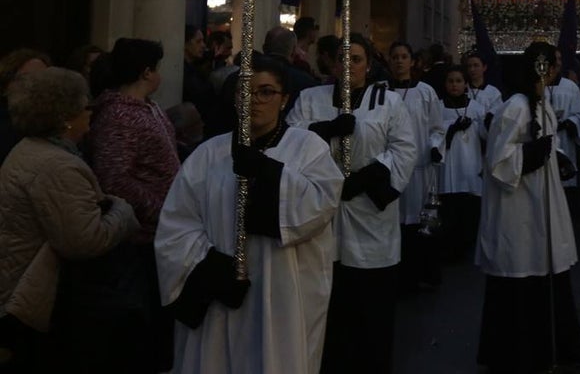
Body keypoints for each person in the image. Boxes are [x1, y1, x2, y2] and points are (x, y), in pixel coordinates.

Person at [156, 55, 343, 373]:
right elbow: (177, 224)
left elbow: (320, 204)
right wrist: (211, 269)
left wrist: (266, 172)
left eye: (266, 91)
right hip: (220, 296)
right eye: (246, 91)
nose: (254, 100)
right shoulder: (208, 154)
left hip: (283, 290)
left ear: (284, 100)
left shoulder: (307, 148)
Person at [286, 35, 417, 373]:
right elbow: (290, 138)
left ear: (368, 64)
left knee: (369, 309)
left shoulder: (387, 102)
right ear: (331, 63)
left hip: (368, 213)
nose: (349, 67)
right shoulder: (310, 98)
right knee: (327, 308)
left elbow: (404, 148)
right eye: (342, 60)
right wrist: (326, 128)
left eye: (356, 59)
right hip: (322, 212)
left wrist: (367, 178)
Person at [0, 68, 139, 372]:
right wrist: (122, 212)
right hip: (46, 301)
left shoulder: (31, 150)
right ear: (66, 115)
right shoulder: (57, 165)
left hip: (27, 289)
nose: (91, 113)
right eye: (86, 106)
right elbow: (84, 240)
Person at [476, 42, 580, 373]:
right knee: (523, 276)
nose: (554, 69)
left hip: (544, 203)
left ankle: (563, 344)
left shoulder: (541, 104)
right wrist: (532, 155)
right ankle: (520, 352)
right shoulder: (515, 107)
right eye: (550, 63)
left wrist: (555, 158)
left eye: (556, 63)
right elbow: (499, 162)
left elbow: (545, 146)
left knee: (552, 274)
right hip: (519, 211)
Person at [88, 37, 182, 371]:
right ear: (146, 72)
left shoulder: (147, 107)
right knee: (139, 324)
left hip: (161, 232)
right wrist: (160, 206)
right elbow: (114, 178)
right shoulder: (118, 115)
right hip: (139, 236)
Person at [388, 40, 444, 291]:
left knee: (419, 223)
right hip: (390, 165)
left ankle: (421, 273)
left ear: (412, 62)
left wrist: (434, 146)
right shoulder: (380, 91)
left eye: (404, 56)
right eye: (395, 56)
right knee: (394, 221)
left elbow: (437, 127)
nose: (400, 61)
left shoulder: (425, 92)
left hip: (419, 167)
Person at [438, 66, 487, 261]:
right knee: (449, 209)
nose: (454, 85)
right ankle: (450, 249)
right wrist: (452, 128)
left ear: (465, 84)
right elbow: (433, 134)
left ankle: (467, 245)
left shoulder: (476, 107)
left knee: (469, 208)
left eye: (458, 81)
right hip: (449, 165)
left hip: (470, 164)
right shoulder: (439, 107)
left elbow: (485, 134)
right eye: (450, 81)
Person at [548, 50, 580, 217]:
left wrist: (569, 123)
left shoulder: (570, 87)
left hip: (564, 141)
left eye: (559, 58)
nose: (557, 63)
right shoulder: (538, 85)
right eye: (554, 59)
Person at [0, 49, 50, 166]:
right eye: (25, 79)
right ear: (6, 85)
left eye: (42, 79)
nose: (34, 86)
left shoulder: (53, 126)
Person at [464, 50, 503, 116]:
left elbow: (498, 113)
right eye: (469, 66)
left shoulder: (493, 92)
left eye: (476, 65)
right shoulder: (462, 89)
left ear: (484, 67)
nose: (472, 69)